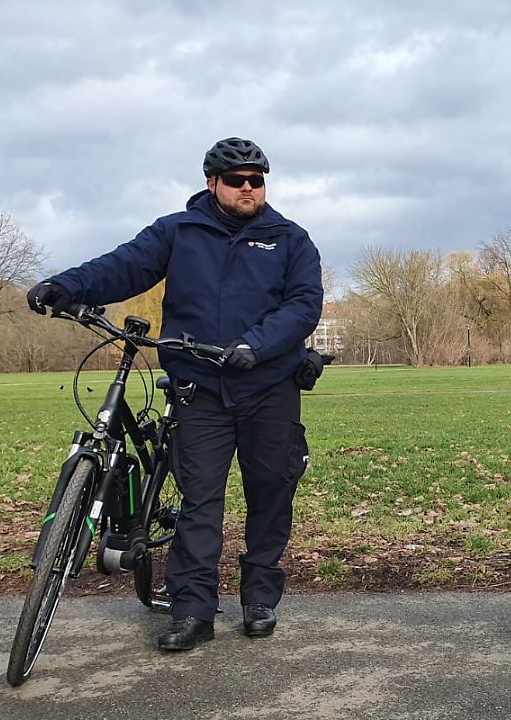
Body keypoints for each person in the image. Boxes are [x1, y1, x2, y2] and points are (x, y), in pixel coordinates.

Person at [27, 137, 322, 651]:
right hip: (199, 387)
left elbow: (303, 305)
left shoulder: (289, 239)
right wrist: (67, 286)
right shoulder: (178, 232)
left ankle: (258, 598)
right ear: (212, 183)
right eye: (237, 180)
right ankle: (192, 610)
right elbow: (122, 266)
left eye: (257, 179)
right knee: (199, 502)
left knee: (271, 493)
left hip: (268, 386)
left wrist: (256, 344)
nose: (249, 188)